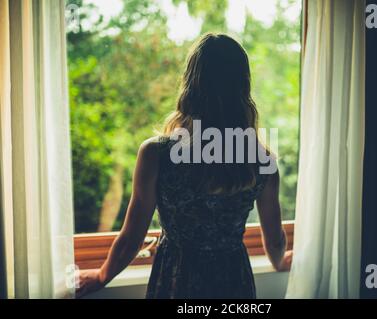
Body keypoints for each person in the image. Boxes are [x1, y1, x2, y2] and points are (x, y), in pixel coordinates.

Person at [76, 33, 292, 299]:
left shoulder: (157, 154)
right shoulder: (261, 162)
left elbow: (132, 236)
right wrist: (280, 262)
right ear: (243, 87)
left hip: (177, 279)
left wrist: (101, 276)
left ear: (190, 85)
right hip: (233, 280)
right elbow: (274, 239)